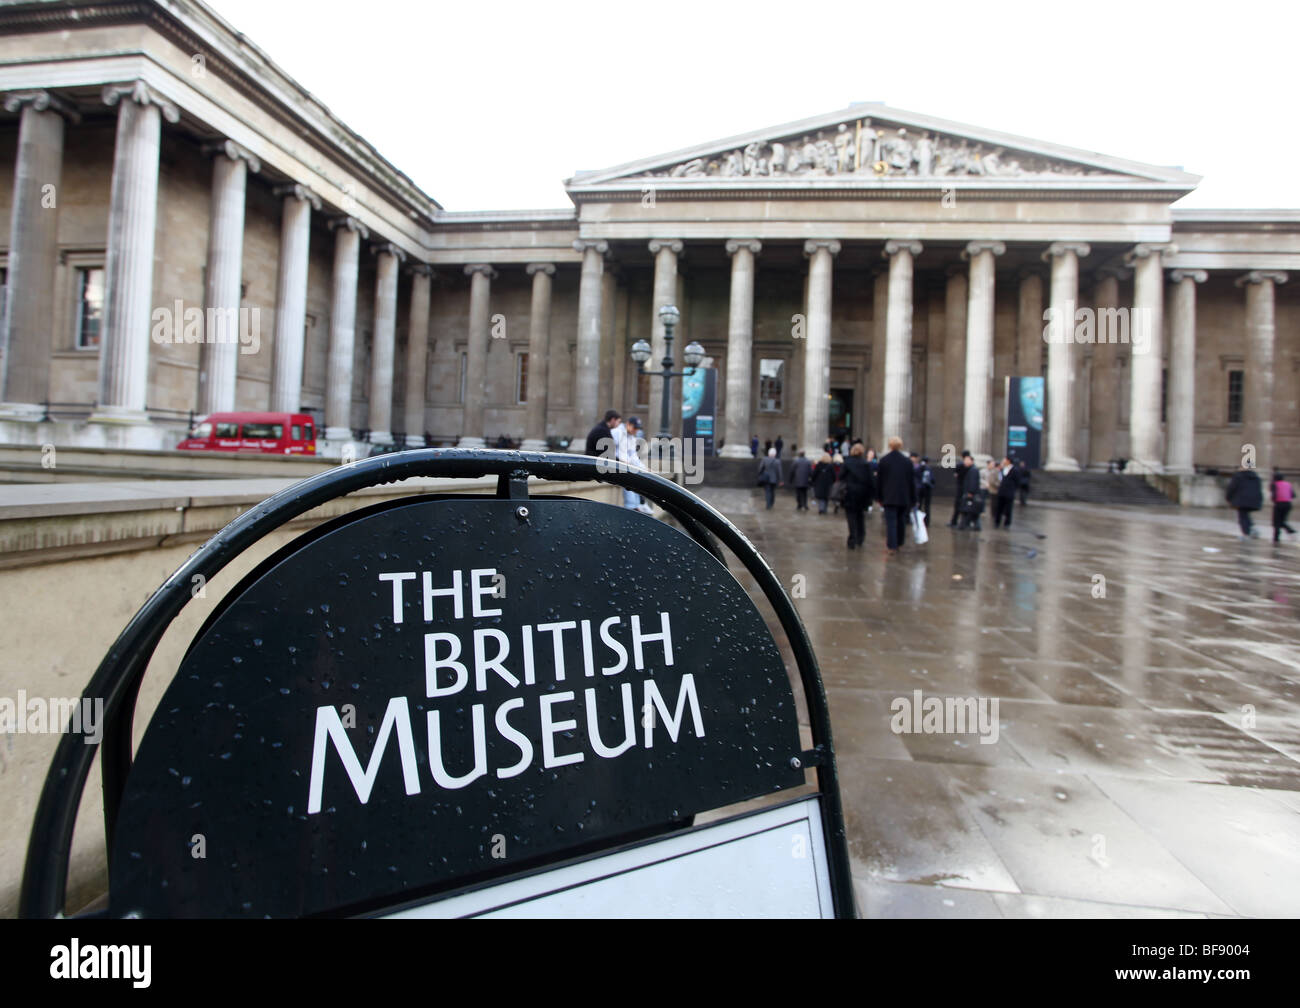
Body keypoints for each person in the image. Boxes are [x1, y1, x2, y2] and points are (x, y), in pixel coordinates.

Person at [876, 436, 917, 555]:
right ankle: (899, 542)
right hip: (903, 497)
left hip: (889, 496)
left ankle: (892, 545)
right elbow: (911, 482)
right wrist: (913, 498)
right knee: (901, 521)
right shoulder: (907, 461)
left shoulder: (884, 460)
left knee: (891, 522)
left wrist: (879, 496)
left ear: (890, 445)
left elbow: (880, 481)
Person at [619, 417, 654, 515]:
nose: (636, 430)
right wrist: (627, 463)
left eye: (637, 428)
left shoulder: (631, 437)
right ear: (628, 424)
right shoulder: (618, 432)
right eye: (635, 428)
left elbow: (633, 457)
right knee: (630, 476)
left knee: (639, 474)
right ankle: (632, 507)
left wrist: (644, 468)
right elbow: (619, 454)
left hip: (624, 464)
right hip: (612, 464)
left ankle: (639, 503)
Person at [841, 443, 871, 549]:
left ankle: (852, 538)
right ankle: (860, 537)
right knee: (860, 516)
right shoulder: (866, 464)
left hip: (850, 493)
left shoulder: (847, 463)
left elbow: (841, 477)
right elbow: (870, 481)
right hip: (862, 493)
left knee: (851, 516)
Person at [1226, 463, 1264, 538]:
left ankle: (1246, 533)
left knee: (1242, 516)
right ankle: (1252, 529)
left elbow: (1232, 487)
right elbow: (1259, 489)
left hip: (1241, 499)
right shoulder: (1256, 477)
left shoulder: (1238, 476)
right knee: (1246, 515)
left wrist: (1228, 497)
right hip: (1253, 500)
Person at [956, 452, 983, 530]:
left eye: (966, 460)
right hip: (971, 493)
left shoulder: (973, 470)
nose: (965, 462)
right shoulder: (971, 469)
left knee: (969, 510)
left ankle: (964, 525)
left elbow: (973, 482)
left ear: (971, 461)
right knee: (972, 511)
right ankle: (968, 525)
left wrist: (970, 492)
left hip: (971, 494)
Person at [993, 456, 1021, 528]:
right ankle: (997, 522)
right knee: (999, 508)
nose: (1003, 461)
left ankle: (1007, 523)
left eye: (1004, 460)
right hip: (1001, 492)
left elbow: (1017, 482)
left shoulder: (1015, 470)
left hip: (1009, 492)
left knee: (1008, 509)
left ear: (1008, 461)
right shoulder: (1003, 469)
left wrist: (1012, 489)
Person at [949, 451, 973, 526]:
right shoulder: (969, 467)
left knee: (961, 505)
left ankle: (958, 522)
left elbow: (956, 474)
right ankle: (963, 522)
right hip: (964, 489)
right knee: (965, 506)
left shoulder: (963, 466)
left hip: (962, 489)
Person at [1271, 471, 1296, 542]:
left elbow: (1274, 495)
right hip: (1288, 504)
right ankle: (1291, 531)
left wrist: (1275, 500)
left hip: (1279, 504)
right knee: (1282, 521)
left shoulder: (1274, 484)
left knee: (1276, 522)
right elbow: (1293, 495)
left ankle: (1276, 538)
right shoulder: (1288, 484)